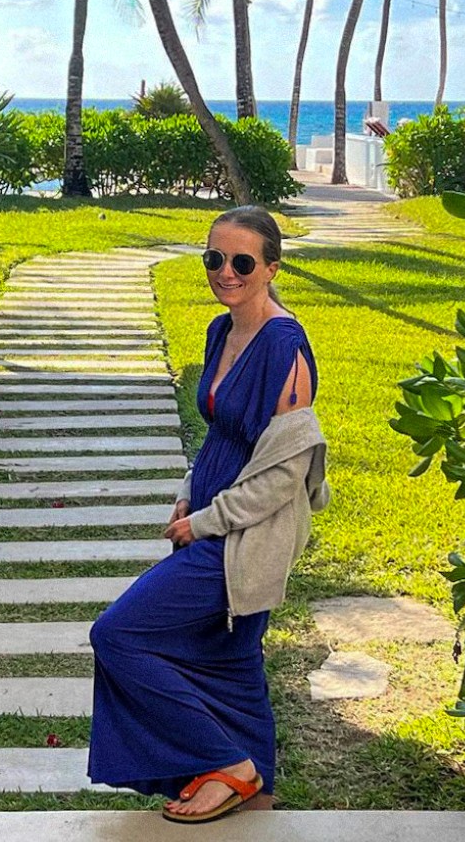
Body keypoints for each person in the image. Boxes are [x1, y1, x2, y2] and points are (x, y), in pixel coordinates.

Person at [87, 205, 330, 824]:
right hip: (211, 512)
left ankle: (228, 763)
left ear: (272, 267)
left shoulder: (284, 346)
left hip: (245, 535)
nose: (226, 272)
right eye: (214, 259)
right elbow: (221, 433)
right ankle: (258, 779)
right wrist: (190, 488)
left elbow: (284, 473)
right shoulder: (222, 332)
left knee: (118, 634)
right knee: (230, 655)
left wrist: (207, 521)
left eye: (242, 261)